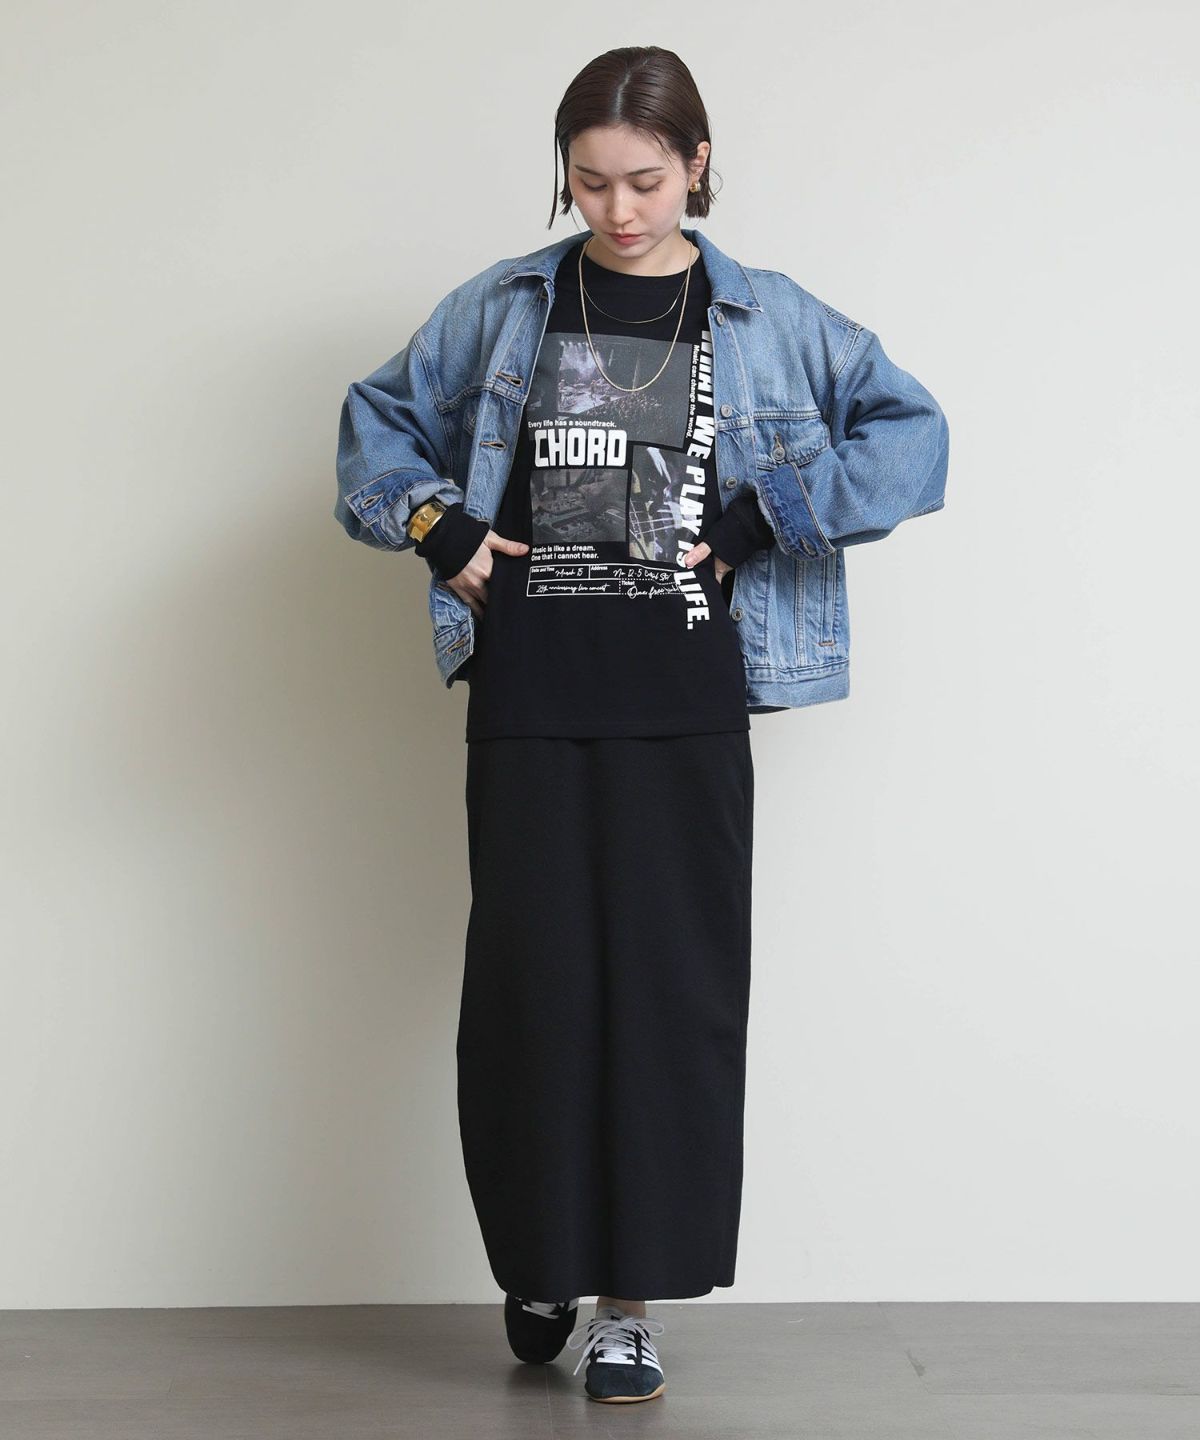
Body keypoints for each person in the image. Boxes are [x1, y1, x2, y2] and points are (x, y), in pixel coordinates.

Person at [335, 45, 949, 1406]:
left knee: (672, 1003)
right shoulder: (504, 307)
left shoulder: (770, 318)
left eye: (646, 181)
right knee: (532, 996)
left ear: (699, 164)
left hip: (686, 701)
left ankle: (628, 1308)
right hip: (533, 690)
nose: (618, 209)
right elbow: (374, 424)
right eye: (591, 181)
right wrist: (438, 527)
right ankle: (543, 1258)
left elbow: (915, 435)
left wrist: (769, 512)